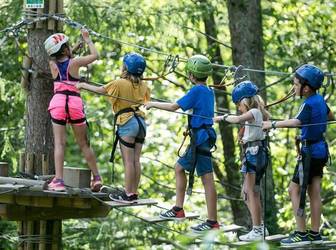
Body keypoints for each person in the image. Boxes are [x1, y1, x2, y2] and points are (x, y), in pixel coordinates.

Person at [145, 55, 219, 233]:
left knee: (203, 177)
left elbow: (173, 107)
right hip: (203, 136)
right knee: (185, 170)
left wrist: (152, 104)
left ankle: (207, 220)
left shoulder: (197, 91)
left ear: (192, 75)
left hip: (200, 138)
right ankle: (184, 210)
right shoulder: (209, 91)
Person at [262, 64, 334, 246]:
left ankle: (301, 233)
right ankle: (315, 233)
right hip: (320, 151)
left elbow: (296, 122)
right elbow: (331, 116)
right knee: (314, 191)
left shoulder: (308, 103)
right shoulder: (320, 100)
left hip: (309, 153)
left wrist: (272, 124)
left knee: (293, 189)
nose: (293, 88)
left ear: (306, 87)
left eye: (295, 85)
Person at [77, 53, 150, 203]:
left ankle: (128, 194)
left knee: (128, 161)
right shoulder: (144, 85)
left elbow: (101, 90)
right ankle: (133, 192)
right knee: (136, 160)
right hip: (141, 122)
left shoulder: (119, 83)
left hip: (127, 121)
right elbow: (144, 100)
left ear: (126, 67)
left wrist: (82, 85)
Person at [44, 29, 102, 192]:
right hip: (74, 103)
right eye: (68, 45)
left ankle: (59, 181)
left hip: (58, 102)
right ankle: (96, 177)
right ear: (64, 49)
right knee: (84, 144)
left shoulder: (52, 64)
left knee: (59, 144)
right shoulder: (75, 63)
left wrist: (74, 47)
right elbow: (95, 56)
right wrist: (87, 40)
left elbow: (64, 58)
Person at [214, 81, 270, 241]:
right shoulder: (256, 114)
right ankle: (259, 226)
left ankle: (258, 229)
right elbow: (246, 124)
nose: (239, 107)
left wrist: (221, 117)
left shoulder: (253, 111)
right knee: (247, 193)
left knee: (250, 192)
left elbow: (238, 118)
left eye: (239, 104)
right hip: (254, 154)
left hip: (255, 154)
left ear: (245, 101)